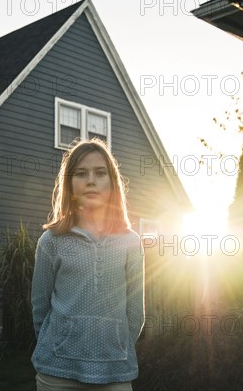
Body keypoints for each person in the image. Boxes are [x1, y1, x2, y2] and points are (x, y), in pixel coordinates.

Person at [31, 139, 145, 390]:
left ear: (112, 184)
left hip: (115, 369)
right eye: (81, 174)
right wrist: (58, 341)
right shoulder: (52, 241)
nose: (91, 180)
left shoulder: (130, 242)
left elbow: (136, 314)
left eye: (100, 173)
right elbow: (40, 308)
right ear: (70, 185)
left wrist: (117, 343)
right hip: (57, 369)